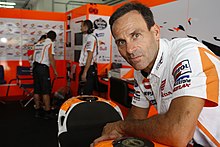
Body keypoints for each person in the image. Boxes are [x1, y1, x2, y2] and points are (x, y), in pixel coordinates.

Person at [91, 2, 220, 147]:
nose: (130, 49)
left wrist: (121, 127)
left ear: (156, 32)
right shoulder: (141, 71)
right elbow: (135, 119)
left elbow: (177, 132)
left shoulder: (188, 53)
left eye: (136, 35)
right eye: (121, 42)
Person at [32, 30, 58, 119]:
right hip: (43, 68)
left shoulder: (39, 42)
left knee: (36, 90)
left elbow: (33, 56)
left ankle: (37, 111)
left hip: (35, 67)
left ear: (47, 35)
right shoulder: (50, 43)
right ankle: (48, 112)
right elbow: (51, 57)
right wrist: (55, 70)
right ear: (54, 38)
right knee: (46, 91)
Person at [78, 20, 98, 95]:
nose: (80, 28)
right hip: (86, 68)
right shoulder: (87, 38)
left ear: (86, 27)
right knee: (81, 93)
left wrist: (85, 72)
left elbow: (90, 56)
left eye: (81, 26)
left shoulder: (91, 38)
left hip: (89, 69)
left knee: (86, 94)